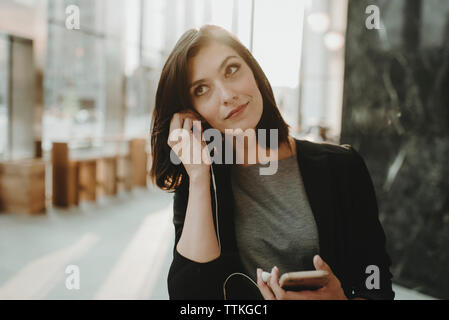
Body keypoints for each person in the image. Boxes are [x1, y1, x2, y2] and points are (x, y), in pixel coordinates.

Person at [149, 25, 394, 300]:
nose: (227, 95)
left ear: (253, 72)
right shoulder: (202, 183)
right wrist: (198, 177)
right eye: (202, 88)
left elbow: (377, 284)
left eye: (231, 70)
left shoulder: (341, 166)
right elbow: (189, 300)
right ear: (191, 112)